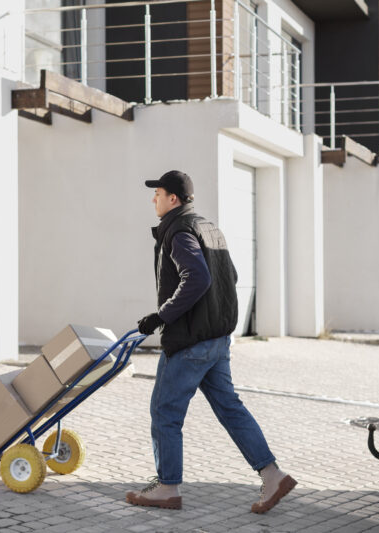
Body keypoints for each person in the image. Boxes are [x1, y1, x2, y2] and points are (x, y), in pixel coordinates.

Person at [125, 170, 297, 513]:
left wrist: (163, 315)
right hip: (217, 339)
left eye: (157, 193)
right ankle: (273, 475)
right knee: (230, 409)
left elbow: (198, 277)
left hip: (191, 342)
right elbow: (228, 276)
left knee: (164, 412)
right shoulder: (208, 227)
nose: (153, 199)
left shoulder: (179, 232)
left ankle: (168, 486)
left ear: (173, 198)